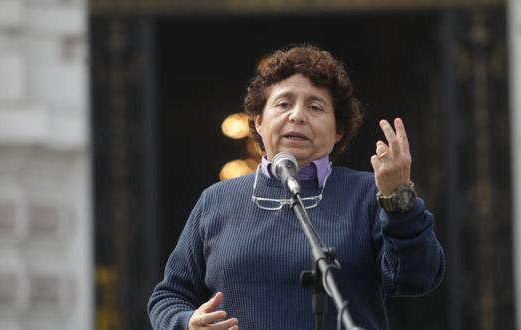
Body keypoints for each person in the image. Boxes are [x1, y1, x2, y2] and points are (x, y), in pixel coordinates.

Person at [148, 45, 445, 330]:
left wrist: (399, 200)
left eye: (315, 107)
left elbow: (417, 279)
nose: (297, 115)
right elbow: (168, 298)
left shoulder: (367, 193)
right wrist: (186, 323)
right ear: (259, 121)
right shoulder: (217, 200)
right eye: (283, 104)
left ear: (338, 130)